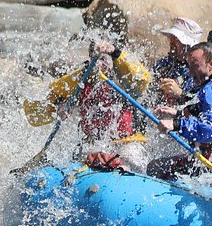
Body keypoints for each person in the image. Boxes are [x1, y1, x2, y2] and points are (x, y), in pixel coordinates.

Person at [146, 42, 212, 180]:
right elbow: (204, 116)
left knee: (156, 168)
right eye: (190, 66)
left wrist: (177, 124)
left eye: (195, 66)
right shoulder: (208, 86)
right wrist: (179, 114)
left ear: (211, 64)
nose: (190, 72)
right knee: (155, 166)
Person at [56, 34, 151, 173]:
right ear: (90, 55)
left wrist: (115, 52)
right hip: (93, 143)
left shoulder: (123, 77)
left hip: (127, 145)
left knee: (132, 158)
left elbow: (142, 81)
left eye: (104, 59)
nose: (100, 64)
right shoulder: (82, 76)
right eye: (97, 58)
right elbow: (57, 96)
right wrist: (61, 107)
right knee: (78, 158)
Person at [152, 17, 203, 105]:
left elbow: (200, 104)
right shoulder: (166, 62)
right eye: (172, 37)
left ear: (187, 45)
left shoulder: (199, 72)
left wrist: (179, 93)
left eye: (176, 39)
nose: (171, 42)